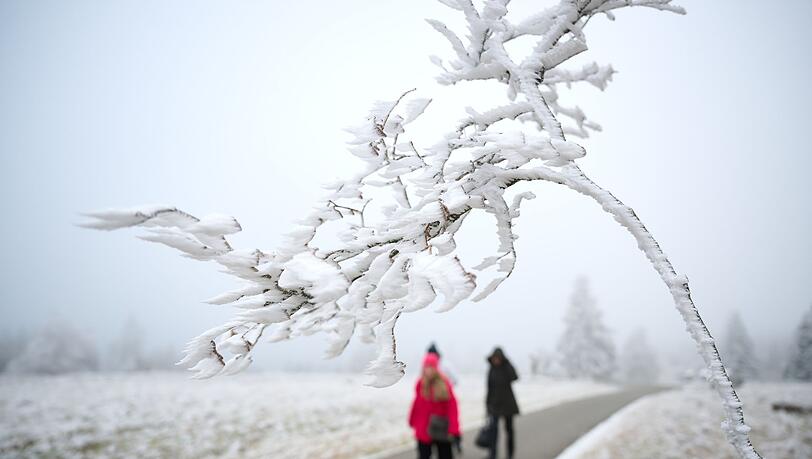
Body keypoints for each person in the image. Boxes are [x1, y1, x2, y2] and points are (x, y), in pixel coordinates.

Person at [408, 353, 461, 459]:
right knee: (423, 455)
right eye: (426, 367)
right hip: (423, 427)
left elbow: (452, 407)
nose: (428, 370)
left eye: (431, 367)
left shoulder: (444, 383)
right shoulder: (420, 384)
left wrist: (454, 428)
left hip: (441, 428)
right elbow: (416, 403)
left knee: (445, 455)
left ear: (436, 367)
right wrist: (412, 419)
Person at [486, 347, 519, 459]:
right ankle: (493, 454)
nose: (496, 360)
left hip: (508, 404)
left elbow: (515, 377)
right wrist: (487, 404)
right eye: (494, 358)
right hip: (494, 404)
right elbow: (489, 387)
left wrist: (507, 363)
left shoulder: (506, 367)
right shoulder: (491, 369)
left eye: (498, 358)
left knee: (509, 430)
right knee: (493, 431)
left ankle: (510, 454)